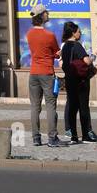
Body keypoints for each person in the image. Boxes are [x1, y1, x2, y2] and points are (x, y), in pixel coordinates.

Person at [26, 8, 62, 147]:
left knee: (35, 106)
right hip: (47, 73)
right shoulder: (49, 35)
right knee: (50, 106)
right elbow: (56, 53)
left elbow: (37, 51)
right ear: (42, 16)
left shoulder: (29, 34)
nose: (48, 14)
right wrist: (57, 54)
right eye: (46, 12)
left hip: (33, 73)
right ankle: (52, 138)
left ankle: (36, 138)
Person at [59, 21, 97, 143]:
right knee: (83, 107)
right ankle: (85, 135)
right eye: (78, 31)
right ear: (73, 33)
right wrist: (92, 58)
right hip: (81, 80)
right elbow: (87, 61)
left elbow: (63, 64)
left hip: (69, 79)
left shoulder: (64, 46)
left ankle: (74, 135)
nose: (80, 33)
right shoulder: (77, 45)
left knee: (72, 107)